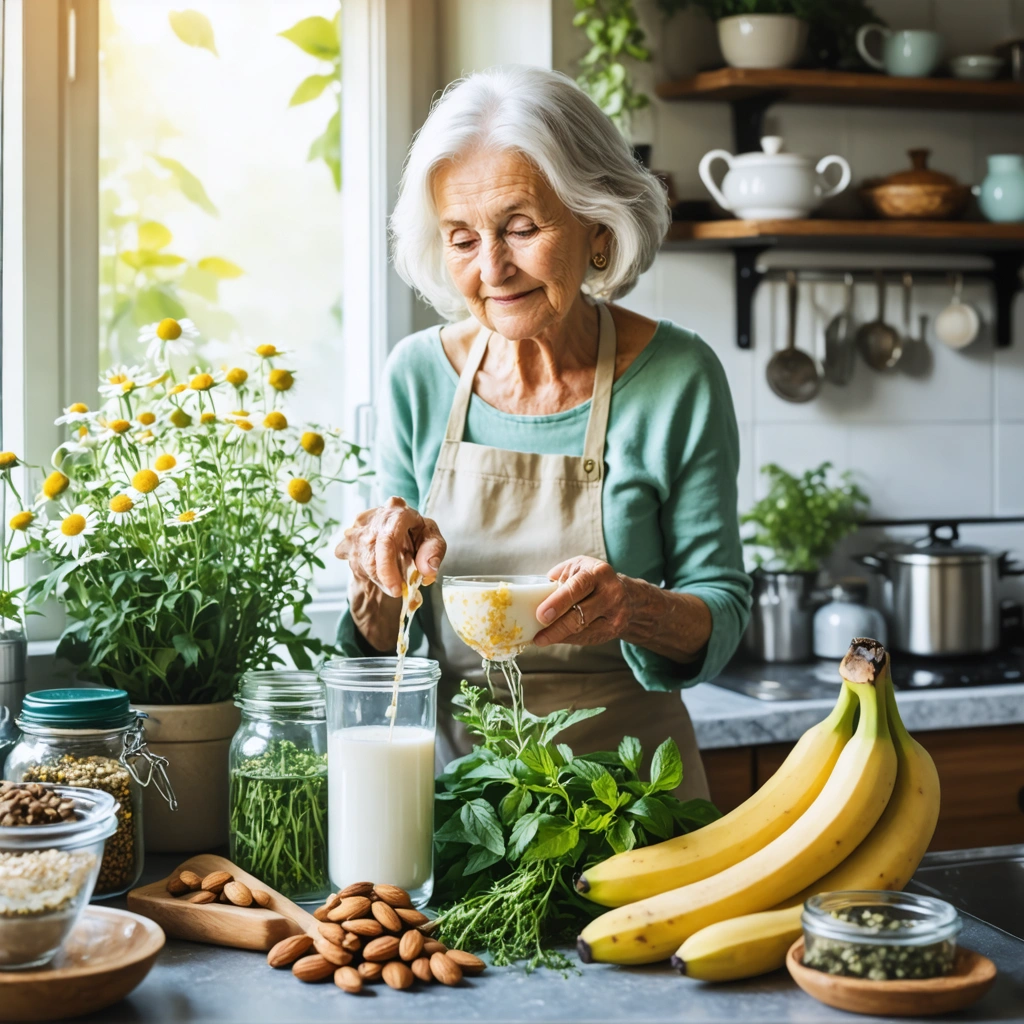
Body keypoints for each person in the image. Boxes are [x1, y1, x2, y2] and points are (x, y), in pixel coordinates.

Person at [336, 65, 750, 798]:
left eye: (522, 229)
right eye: (462, 239)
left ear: (599, 227)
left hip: (637, 799)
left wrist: (633, 607)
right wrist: (376, 575)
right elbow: (391, 651)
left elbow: (721, 609)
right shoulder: (416, 376)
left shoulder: (679, 376)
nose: (493, 269)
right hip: (464, 801)